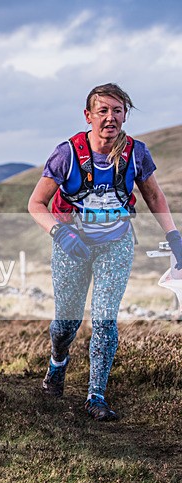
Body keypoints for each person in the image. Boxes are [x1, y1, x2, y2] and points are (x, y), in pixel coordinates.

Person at [27, 83, 182, 421]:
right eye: (103, 111)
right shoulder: (66, 154)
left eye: (117, 111)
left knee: (104, 318)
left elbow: (154, 196)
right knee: (66, 323)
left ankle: (95, 396)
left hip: (116, 243)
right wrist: (59, 232)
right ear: (88, 116)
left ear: (125, 115)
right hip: (71, 246)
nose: (110, 117)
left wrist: (173, 235)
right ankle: (57, 362)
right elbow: (36, 203)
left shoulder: (136, 153)